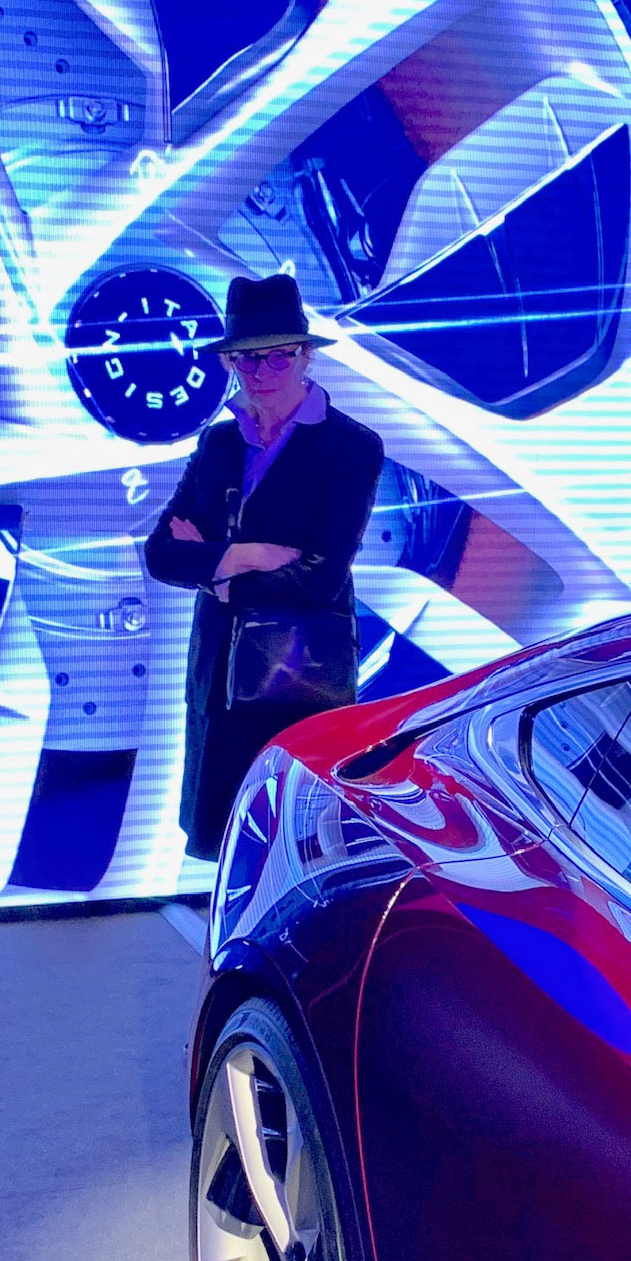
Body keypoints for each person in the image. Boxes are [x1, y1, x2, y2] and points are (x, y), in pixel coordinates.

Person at [143, 275, 384, 859]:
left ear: (305, 356)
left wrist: (220, 577)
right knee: (227, 845)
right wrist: (242, 557)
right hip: (219, 677)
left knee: (300, 844)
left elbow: (321, 577)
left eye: (279, 356)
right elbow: (161, 554)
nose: (263, 372)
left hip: (298, 677)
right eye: (248, 358)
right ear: (230, 363)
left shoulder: (351, 446)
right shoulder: (220, 444)